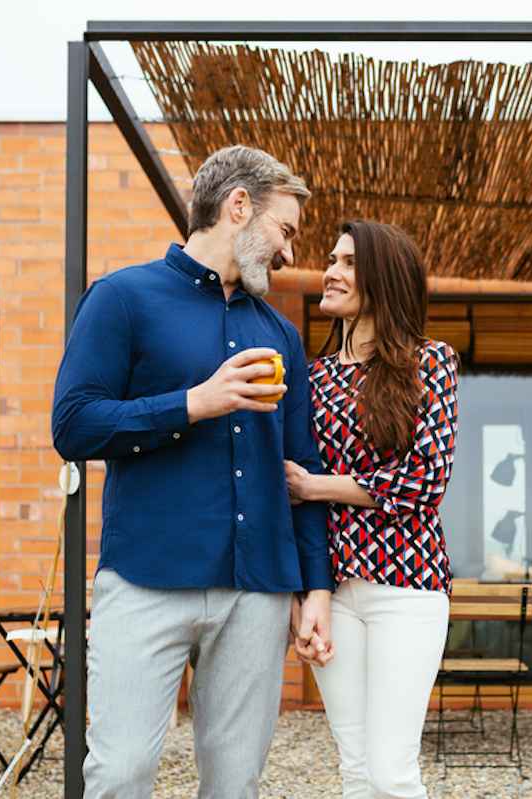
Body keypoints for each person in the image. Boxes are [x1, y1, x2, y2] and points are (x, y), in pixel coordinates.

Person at [51, 145, 334, 798]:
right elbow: (72, 424)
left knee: (236, 784)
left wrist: (313, 585)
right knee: (120, 773)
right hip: (146, 577)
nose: (291, 252)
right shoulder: (122, 298)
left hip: (256, 587)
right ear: (239, 206)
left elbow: (302, 469)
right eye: (285, 230)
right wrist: (192, 403)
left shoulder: (281, 333)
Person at [284, 220, 459, 798]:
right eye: (331, 259)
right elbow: (289, 491)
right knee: (356, 767)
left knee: (391, 770)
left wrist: (319, 487)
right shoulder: (311, 379)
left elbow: (424, 483)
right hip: (332, 593)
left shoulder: (430, 363)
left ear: (383, 276)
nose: (330, 272)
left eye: (348, 262)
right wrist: (304, 595)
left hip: (407, 588)